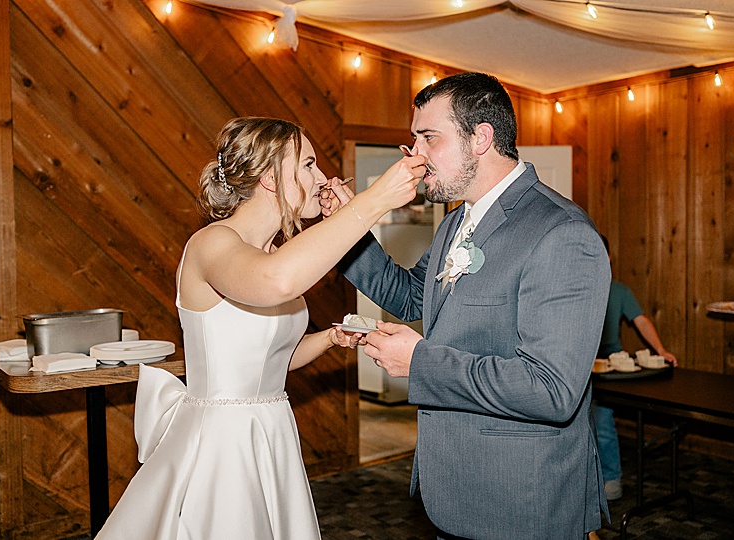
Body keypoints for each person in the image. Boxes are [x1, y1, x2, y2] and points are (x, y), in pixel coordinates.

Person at [95, 117, 424, 539]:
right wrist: (375, 200)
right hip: (223, 442)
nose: (322, 178)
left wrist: (328, 338)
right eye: (308, 165)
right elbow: (277, 282)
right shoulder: (212, 245)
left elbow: (272, 361)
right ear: (270, 178)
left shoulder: (271, 251)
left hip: (271, 429)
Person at [330, 72, 611, 539]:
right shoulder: (456, 222)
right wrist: (344, 227)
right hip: (455, 490)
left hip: (521, 501)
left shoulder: (562, 234)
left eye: (429, 138)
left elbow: (551, 390)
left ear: (481, 137)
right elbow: (410, 296)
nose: (415, 156)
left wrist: (420, 362)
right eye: (414, 139)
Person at [593, 234, 677, 501]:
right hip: (579, 366)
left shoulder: (619, 290)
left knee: (603, 423)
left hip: (612, 368)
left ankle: (611, 479)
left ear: (607, 258)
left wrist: (660, 350)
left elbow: (640, 320)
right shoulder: (575, 287)